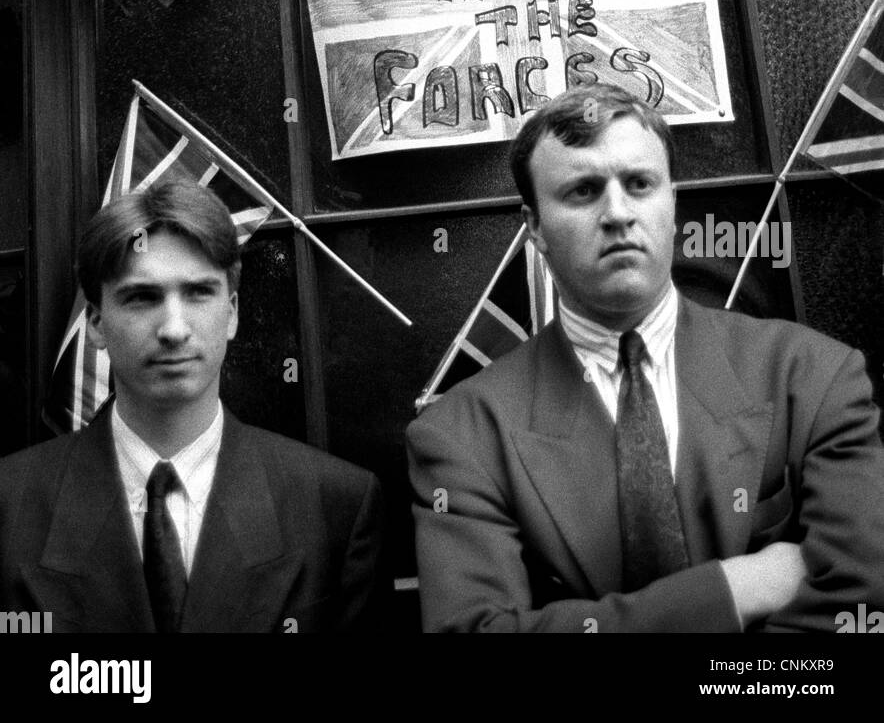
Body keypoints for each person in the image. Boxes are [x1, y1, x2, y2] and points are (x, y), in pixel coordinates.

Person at [407, 84, 884, 633]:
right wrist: (732, 589)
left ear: (673, 202)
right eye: (583, 191)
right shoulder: (460, 435)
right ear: (534, 227)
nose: (618, 214)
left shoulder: (814, 377)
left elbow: (862, 603)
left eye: (639, 184)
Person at [0, 181, 385, 633]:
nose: (174, 329)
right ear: (97, 323)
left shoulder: (335, 506)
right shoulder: (9, 507)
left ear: (233, 313)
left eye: (199, 292)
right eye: (142, 297)